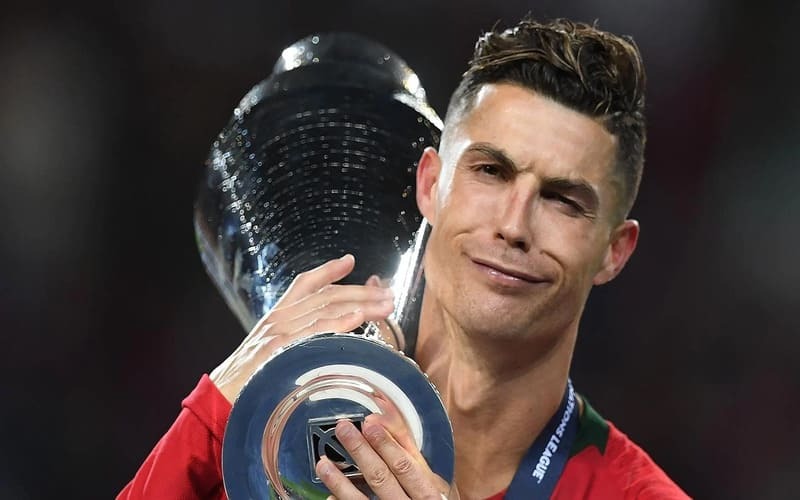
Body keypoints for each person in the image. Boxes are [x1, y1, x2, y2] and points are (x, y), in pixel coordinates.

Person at [119, 16, 689, 500]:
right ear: (430, 184)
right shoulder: (263, 443)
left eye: (563, 200)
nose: (514, 226)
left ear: (614, 252)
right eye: (490, 171)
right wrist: (214, 412)